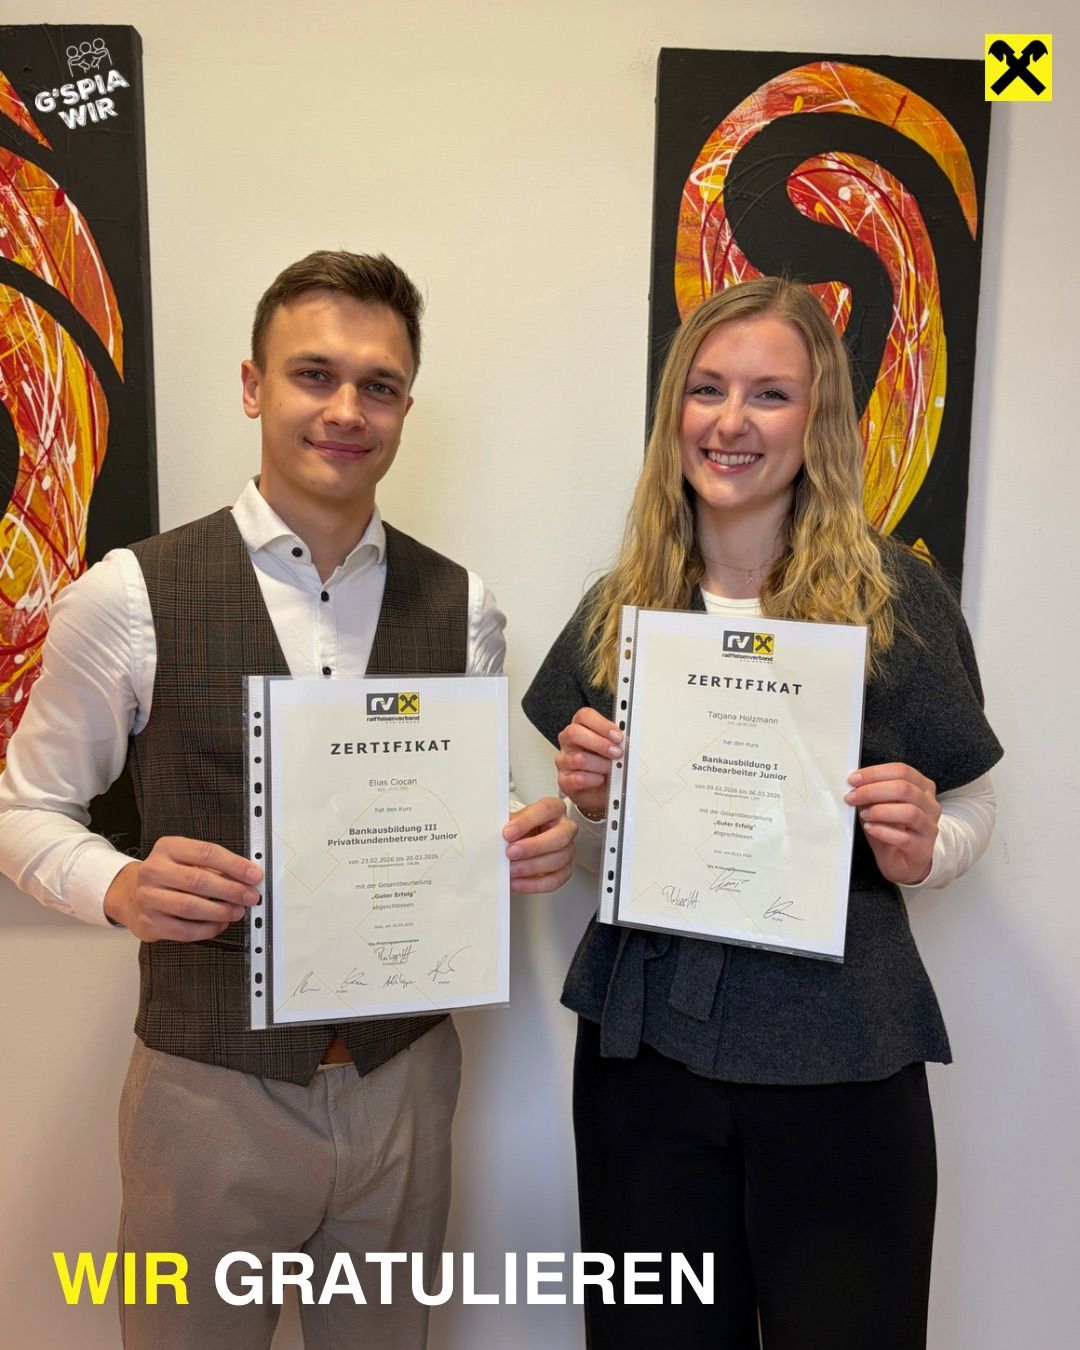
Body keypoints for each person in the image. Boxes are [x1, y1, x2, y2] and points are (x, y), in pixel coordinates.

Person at [0, 249, 575, 1350]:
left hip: (405, 1079)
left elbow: (465, 795)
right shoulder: (129, 596)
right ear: (252, 385)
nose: (346, 410)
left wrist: (522, 830)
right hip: (205, 1089)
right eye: (315, 374)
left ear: (405, 407)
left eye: (379, 385)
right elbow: (24, 809)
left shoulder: (464, 605)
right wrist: (118, 885)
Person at [522, 277, 1001, 1350]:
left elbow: (971, 801)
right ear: (674, 412)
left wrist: (927, 846)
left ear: (816, 420)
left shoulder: (894, 600)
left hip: (841, 1049)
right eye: (707, 390)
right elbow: (600, 833)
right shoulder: (622, 606)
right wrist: (588, 803)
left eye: (769, 394)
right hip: (644, 1056)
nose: (730, 422)